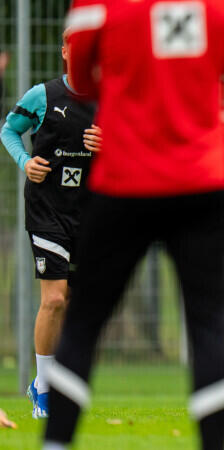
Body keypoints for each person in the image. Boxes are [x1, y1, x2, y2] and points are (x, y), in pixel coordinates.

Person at [44, 1, 224, 449]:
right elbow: (220, 57)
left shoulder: (98, 5)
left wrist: (124, 87)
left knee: (83, 323)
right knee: (208, 323)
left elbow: (79, 78)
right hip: (201, 178)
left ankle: (55, 442)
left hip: (124, 178)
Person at [0, 34, 97, 419]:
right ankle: (43, 388)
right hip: (47, 210)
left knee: (73, 304)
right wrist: (25, 161)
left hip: (90, 213)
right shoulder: (43, 95)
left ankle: (55, 382)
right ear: (65, 51)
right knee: (53, 299)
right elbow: (9, 130)